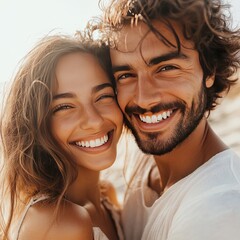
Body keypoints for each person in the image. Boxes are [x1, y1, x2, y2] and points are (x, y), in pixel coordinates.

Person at [97, 0, 240, 239]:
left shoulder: (218, 211)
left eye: (166, 68)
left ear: (210, 70)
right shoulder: (142, 166)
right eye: (126, 75)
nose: (144, 99)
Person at [0, 33, 124, 240]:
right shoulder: (59, 224)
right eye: (65, 106)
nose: (93, 120)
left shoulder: (106, 196)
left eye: (103, 96)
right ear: (37, 125)